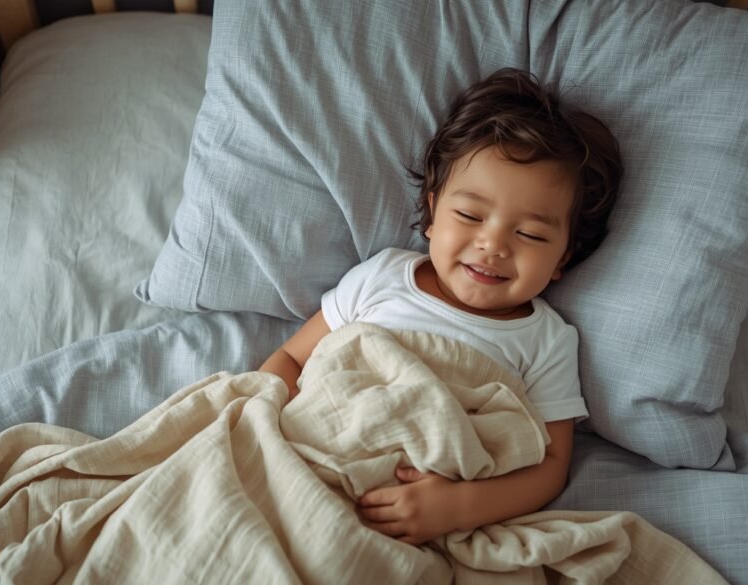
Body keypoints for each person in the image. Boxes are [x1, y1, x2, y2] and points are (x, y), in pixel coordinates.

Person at [259, 68, 623, 546]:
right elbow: (291, 359)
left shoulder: (547, 339)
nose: (493, 245)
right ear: (431, 215)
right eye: (470, 216)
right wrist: (264, 429)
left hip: (420, 511)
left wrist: (457, 507)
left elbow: (551, 467)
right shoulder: (383, 276)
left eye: (531, 235)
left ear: (562, 260)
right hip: (310, 454)